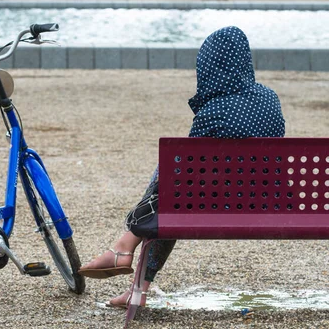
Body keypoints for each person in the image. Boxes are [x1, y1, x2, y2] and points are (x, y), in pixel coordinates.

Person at [78, 26, 286, 309]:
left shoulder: (214, 111)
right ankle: (125, 253)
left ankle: (126, 255)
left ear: (208, 65)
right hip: (268, 204)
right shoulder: (269, 99)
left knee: (170, 186)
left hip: (217, 208)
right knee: (173, 186)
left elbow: (187, 174)